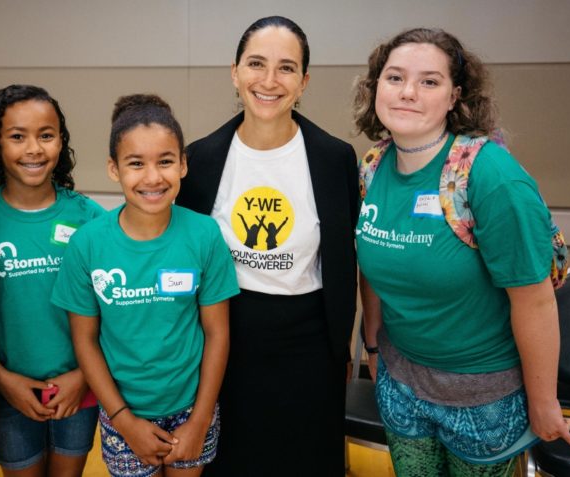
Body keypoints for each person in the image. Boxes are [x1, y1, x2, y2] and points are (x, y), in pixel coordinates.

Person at [352, 27, 570, 476]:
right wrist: (373, 348)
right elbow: (373, 267)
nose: (408, 92)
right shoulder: (373, 166)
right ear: (375, 86)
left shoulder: (489, 174)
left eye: (430, 81)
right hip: (401, 384)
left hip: (483, 398)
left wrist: (544, 402)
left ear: (456, 95)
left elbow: (534, 300)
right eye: (394, 77)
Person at [175, 15, 359, 476]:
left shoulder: (334, 158)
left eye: (286, 68)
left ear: (304, 81)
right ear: (234, 72)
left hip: (310, 343)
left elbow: (347, 262)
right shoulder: (200, 159)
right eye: (256, 64)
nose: (269, 81)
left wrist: (359, 349)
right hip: (225, 338)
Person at [51, 94, 239, 477]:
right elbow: (85, 340)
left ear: (183, 164)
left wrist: (201, 419)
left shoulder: (204, 235)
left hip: (193, 408)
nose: (153, 177)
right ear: (113, 168)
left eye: (166, 161)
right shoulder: (87, 244)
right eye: (136, 163)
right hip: (124, 413)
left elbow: (217, 332)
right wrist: (123, 421)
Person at [0, 84, 104, 476]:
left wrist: (83, 376)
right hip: (9, 391)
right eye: (17, 136)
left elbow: (112, 307)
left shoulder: (90, 219)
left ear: (61, 141)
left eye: (46, 135)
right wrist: (2, 378)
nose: (34, 149)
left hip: (79, 386)